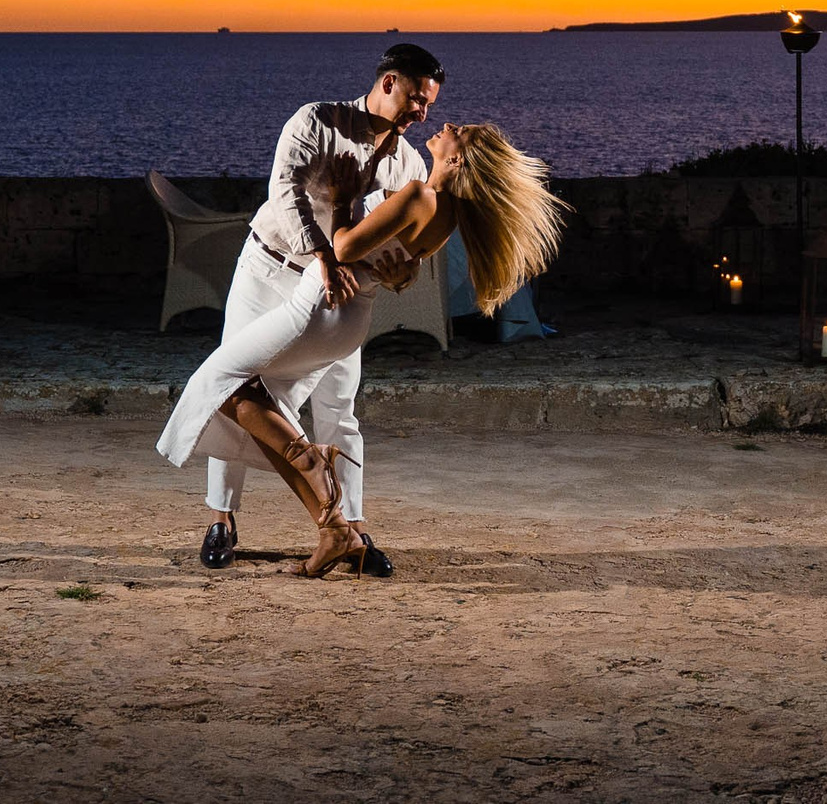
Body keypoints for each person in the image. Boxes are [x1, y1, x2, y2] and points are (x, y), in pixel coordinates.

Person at [156, 116, 565, 578]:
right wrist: (401, 271)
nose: (445, 122)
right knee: (246, 394)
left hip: (318, 307)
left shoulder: (416, 194)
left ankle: (319, 482)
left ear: (458, 158)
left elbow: (346, 247)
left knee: (221, 383)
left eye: (460, 130)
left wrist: (346, 199)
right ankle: (329, 519)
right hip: (347, 317)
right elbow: (397, 261)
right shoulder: (447, 214)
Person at [187, 44, 445, 577]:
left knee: (339, 407)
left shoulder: (411, 164)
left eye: (429, 103)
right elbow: (285, 193)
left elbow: (388, 245)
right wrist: (324, 255)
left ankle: (348, 527)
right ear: (389, 81)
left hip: (336, 295)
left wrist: (402, 274)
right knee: (238, 385)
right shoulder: (317, 121)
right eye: (417, 98)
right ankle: (222, 520)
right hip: (269, 269)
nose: (423, 112)